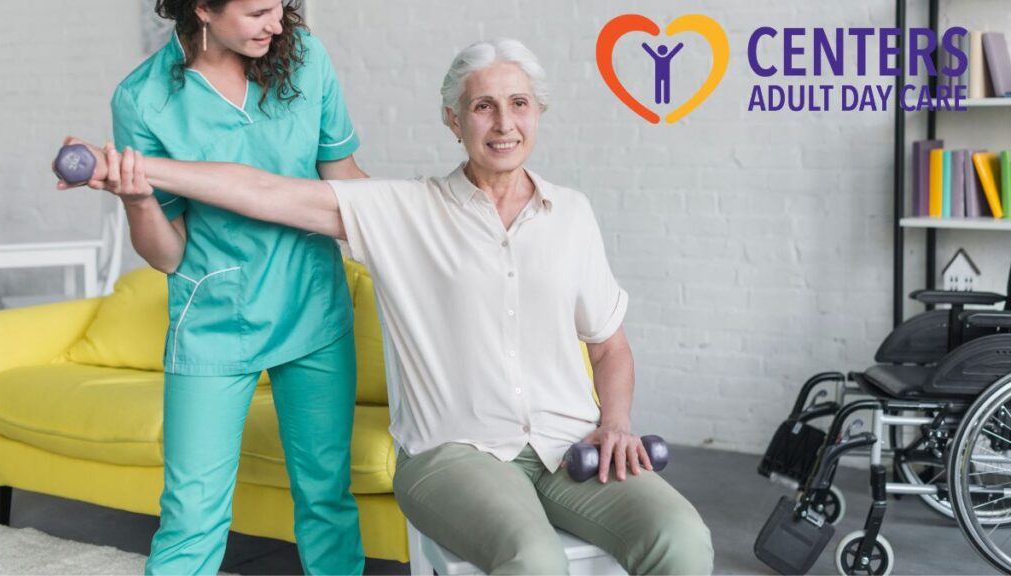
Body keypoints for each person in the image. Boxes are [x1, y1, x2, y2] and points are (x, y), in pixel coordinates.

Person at [61, 38, 714, 575]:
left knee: (682, 537)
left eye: (519, 104)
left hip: (569, 444)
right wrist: (132, 170)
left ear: (538, 114)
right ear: (453, 120)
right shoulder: (405, 212)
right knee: (533, 560)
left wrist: (617, 422)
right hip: (457, 453)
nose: (504, 123)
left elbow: (610, 345)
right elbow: (262, 190)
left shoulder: (572, 214)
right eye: (483, 106)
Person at [105, 0, 366, 573]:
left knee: (326, 498)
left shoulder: (303, 57)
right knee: (191, 515)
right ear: (203, 7)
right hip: (215, 318)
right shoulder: (144, 100)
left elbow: (345, 183)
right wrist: (138, 199)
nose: (276, 24)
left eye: (280, 6)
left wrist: (427, 222)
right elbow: (166, 253)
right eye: (257, 12)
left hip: (312, 303)